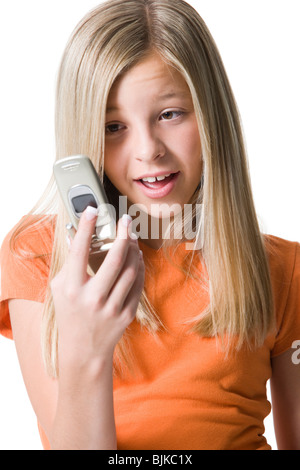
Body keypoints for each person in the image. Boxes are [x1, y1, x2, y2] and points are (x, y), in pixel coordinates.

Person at [0, 0, 299, 451]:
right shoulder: (39, 256)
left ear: (212, 115)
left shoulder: (284, 269)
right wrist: (89, 348)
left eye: (169, 114)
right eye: (114, 126)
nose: (147, 150)